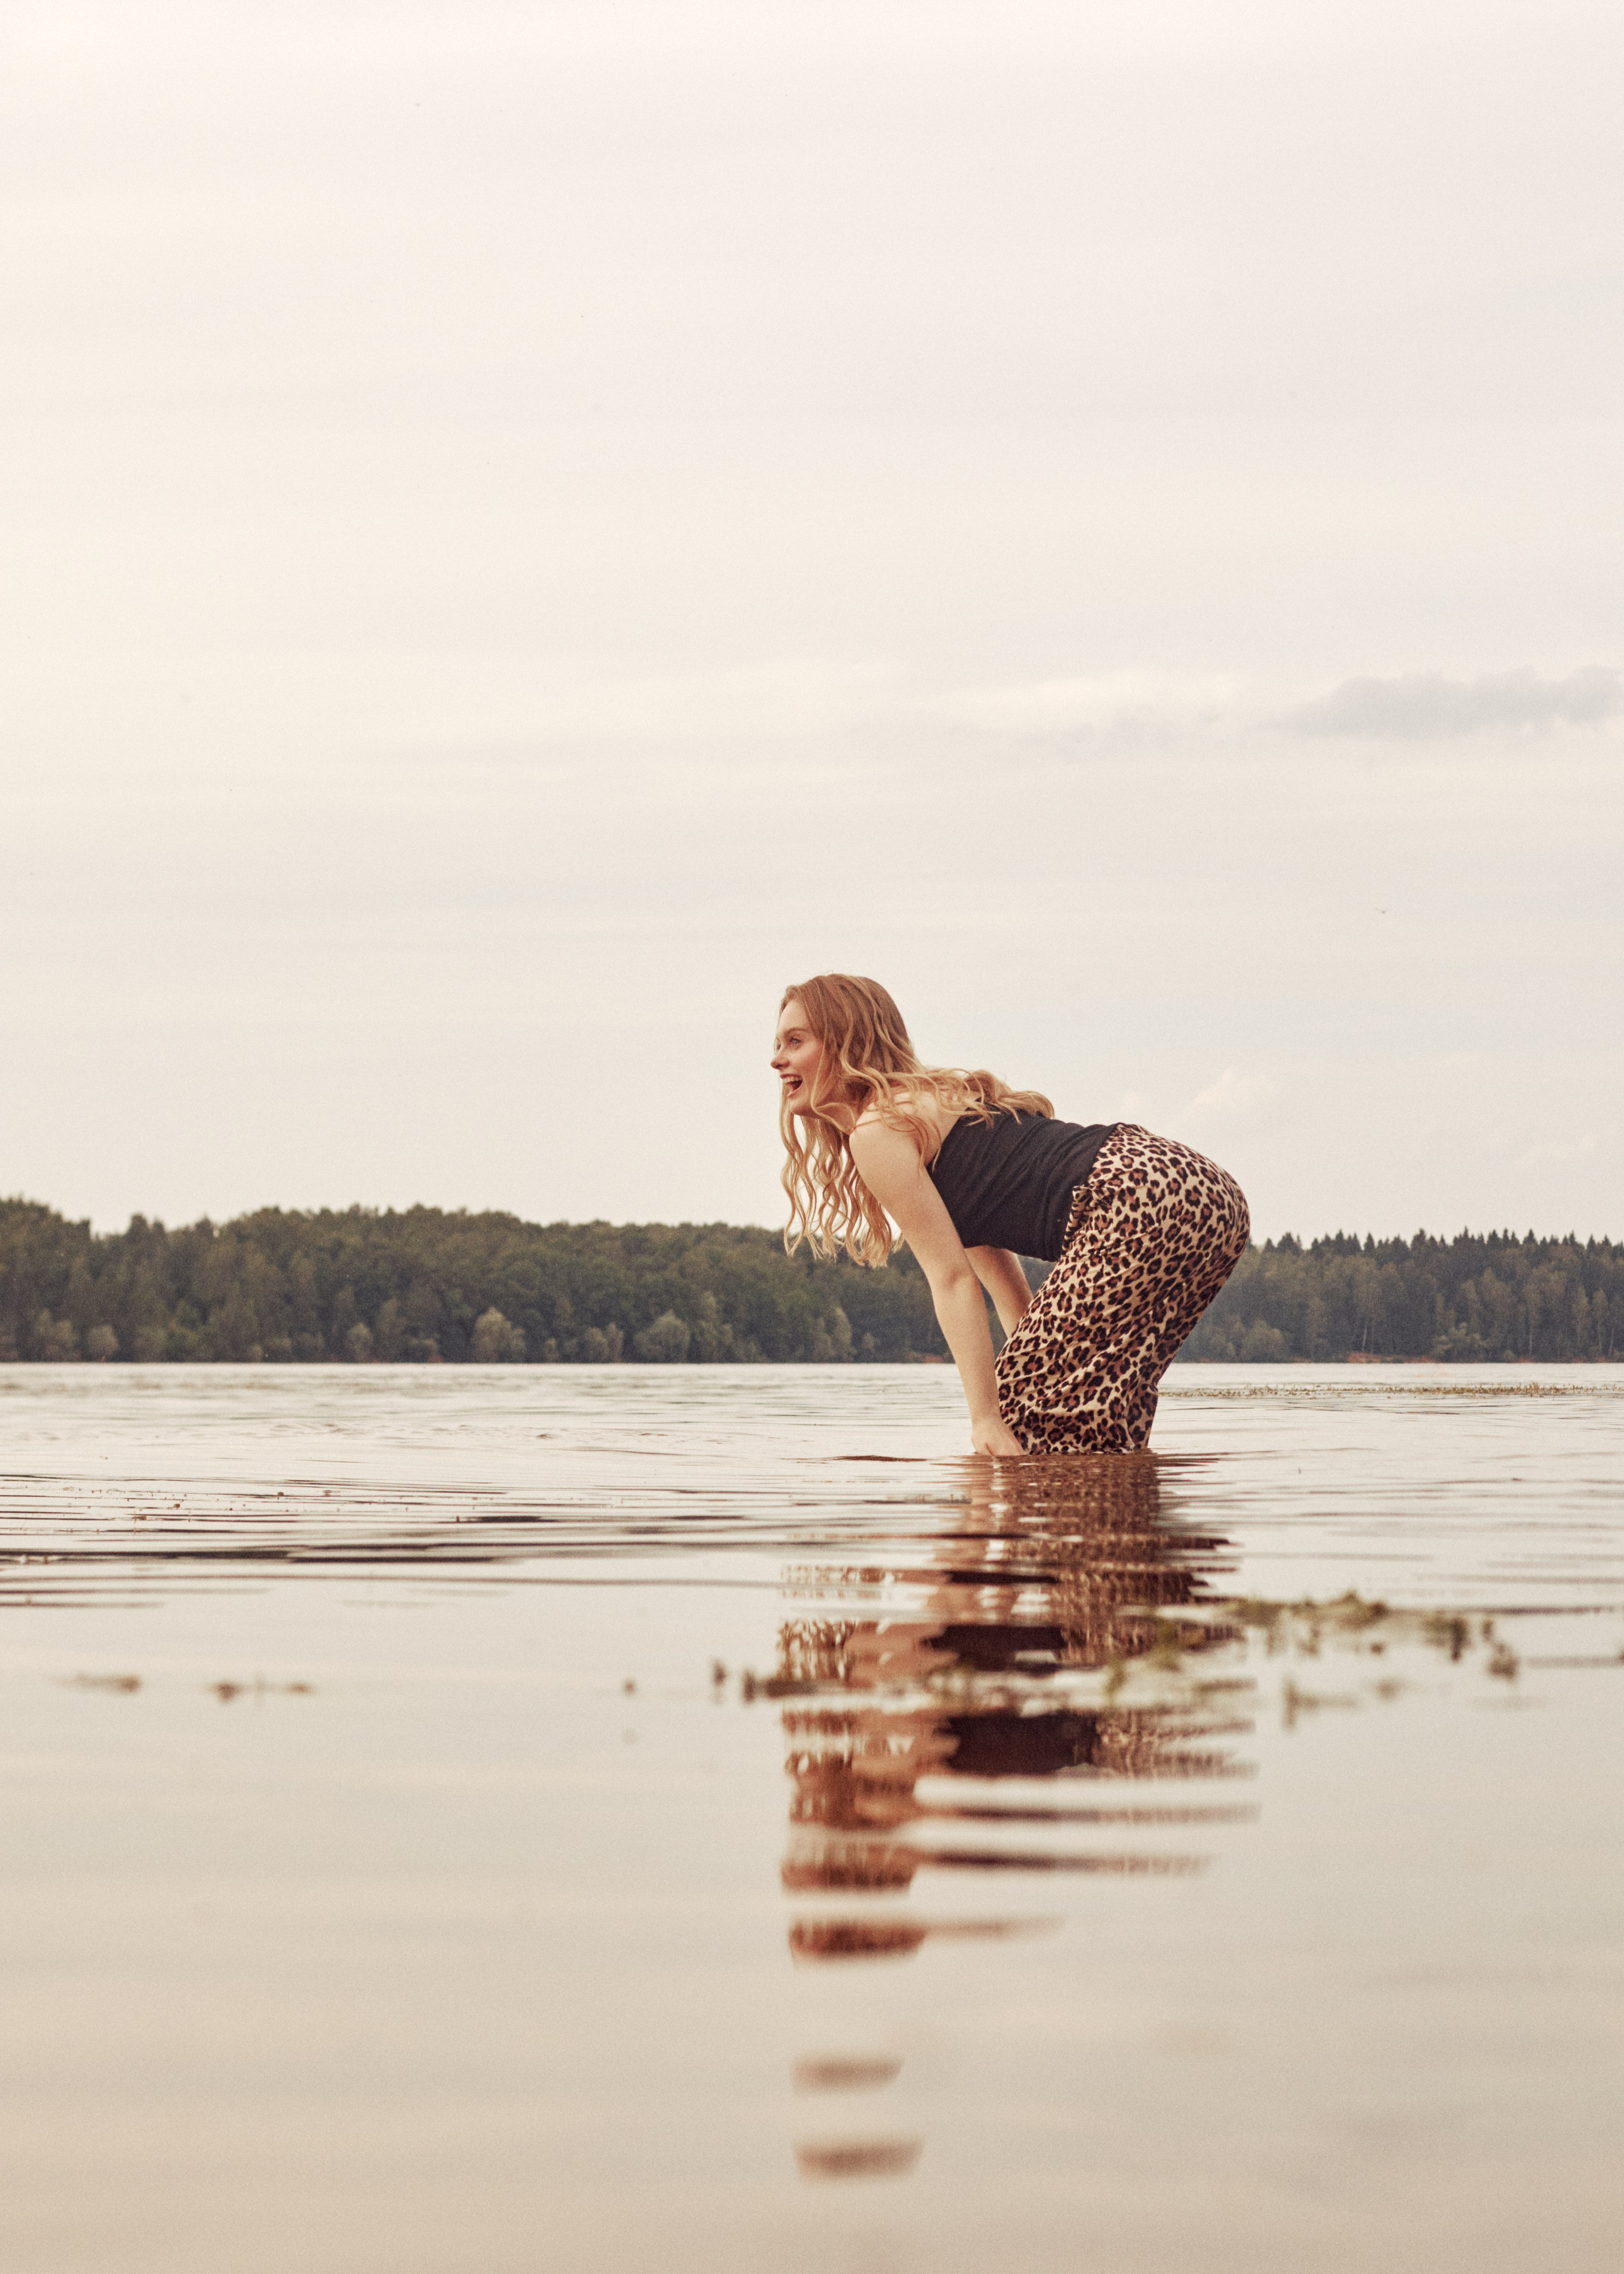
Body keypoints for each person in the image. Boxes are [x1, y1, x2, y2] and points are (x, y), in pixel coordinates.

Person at [771, 972, 1249, 1457]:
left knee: (1025, 1414)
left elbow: (952, 1279)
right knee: (1096, 1409)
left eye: (795, 1041)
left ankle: (1072, 1516)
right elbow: (998, 1279)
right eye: (778, 1043)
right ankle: (1122, 1510)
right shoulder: (931, 1104)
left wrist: (987, 1421)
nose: (776, 1059)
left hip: (1131, 1195)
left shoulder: (878, 1129)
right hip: (1205, 1193)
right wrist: (1037, 1370)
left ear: (846, 1039)